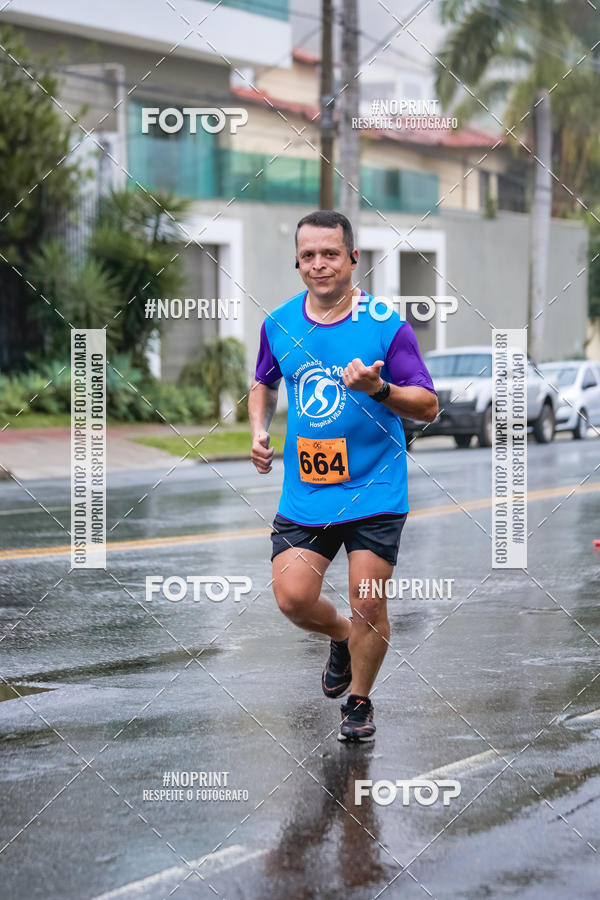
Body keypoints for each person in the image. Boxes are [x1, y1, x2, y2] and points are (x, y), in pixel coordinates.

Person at [249, 210, 438, 742]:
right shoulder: (279, 323)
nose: (319, 264)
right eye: (308, 255)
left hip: (375, 487)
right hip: (307, 490)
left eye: (330, 253)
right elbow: (262, 382)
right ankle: (339, 637)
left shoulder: (385, 324)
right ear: (297, 261)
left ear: (353, 258)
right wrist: (259, 432)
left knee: (369, 600)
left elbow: (427, 406)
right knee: (292, 598)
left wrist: (380, 390)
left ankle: (359, 700)